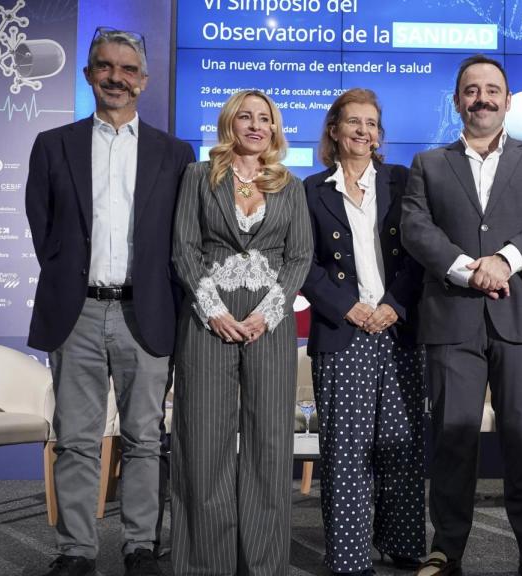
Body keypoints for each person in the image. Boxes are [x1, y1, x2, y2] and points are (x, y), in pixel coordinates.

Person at [24, 27, 194, 576]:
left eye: (127, 69)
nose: (115, 77)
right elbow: (41, 226)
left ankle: (139, 545)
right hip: (75, 311)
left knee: (146, 438)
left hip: (146, 314)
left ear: (143, 81)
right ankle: (76, 550)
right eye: (105, 66)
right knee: (75, 439)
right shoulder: (54, 145)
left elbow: (179, 238)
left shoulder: (175, 153)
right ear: (88, 73)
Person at [400, 54, 522, 576]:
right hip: (452, 315)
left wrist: (504, 260)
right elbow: (415, 227)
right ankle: (446, 549)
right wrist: (463, 269)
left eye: (492, 89)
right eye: (471, 90)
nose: (483, 98)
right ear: (458, 101)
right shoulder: (429, 163)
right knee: (453, 439)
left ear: (508, 100)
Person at [169, 89, 311, 575]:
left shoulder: (291, 185)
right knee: (203, 444)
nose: (255, 126)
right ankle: (205, 564)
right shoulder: (197, 176)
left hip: (268, 324)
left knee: (269, 448)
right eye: (245, 117)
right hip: (209, 319)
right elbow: (185, 248)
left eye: (264, 119)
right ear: (229, 123)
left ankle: (263, 565)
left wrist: (268, 313)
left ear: (275, 129)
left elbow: (300, 257)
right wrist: (212, 310)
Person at [300, 88, 425, 576]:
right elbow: (303, 265)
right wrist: (347, 307)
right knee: (346, 451)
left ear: (380, 134)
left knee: (401, 443)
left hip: (396, 330)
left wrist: (393, 306)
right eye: (353, 122)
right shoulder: (310, 190)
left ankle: (403, 542)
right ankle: (350, 555)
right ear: (334, 130)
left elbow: (421, 252)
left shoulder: (403, 181)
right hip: (343, 331)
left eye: (372, 123)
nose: (363, 131)